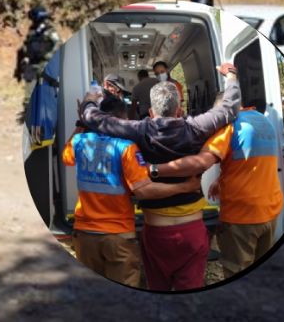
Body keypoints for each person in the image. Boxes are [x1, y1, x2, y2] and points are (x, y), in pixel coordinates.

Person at [78, 63, 240, 291]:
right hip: (192, 231)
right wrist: (231, 77)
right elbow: (229, 109)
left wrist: (90, 99)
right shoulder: (196, 128)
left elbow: (94, 119)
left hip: (155, 233)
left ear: (151, 112)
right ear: (179, 110)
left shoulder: (139, 130)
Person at [63, 97, 202, 287]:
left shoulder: (79, 142)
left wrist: (82, 123)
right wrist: (184, 187)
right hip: (117, 234)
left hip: (84, 233)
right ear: (123, 119)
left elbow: (66, 157)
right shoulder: (126, 148)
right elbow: (144, 191)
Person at [153, 93, 284, 279]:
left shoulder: (229, 127)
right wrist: (221, 179)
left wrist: (155, 170)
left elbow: (200, 163)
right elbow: (250, 162)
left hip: (243, 216)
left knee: (236, 270)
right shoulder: (264, 121)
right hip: (271, 210)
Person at [16, 5, 62, 115]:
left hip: (44, 63)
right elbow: (27, 44)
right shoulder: (32, 29)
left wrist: (49, 56)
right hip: (31, 64)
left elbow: (58, 43)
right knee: (29, 91)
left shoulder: (49, 29)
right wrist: (26, 56)